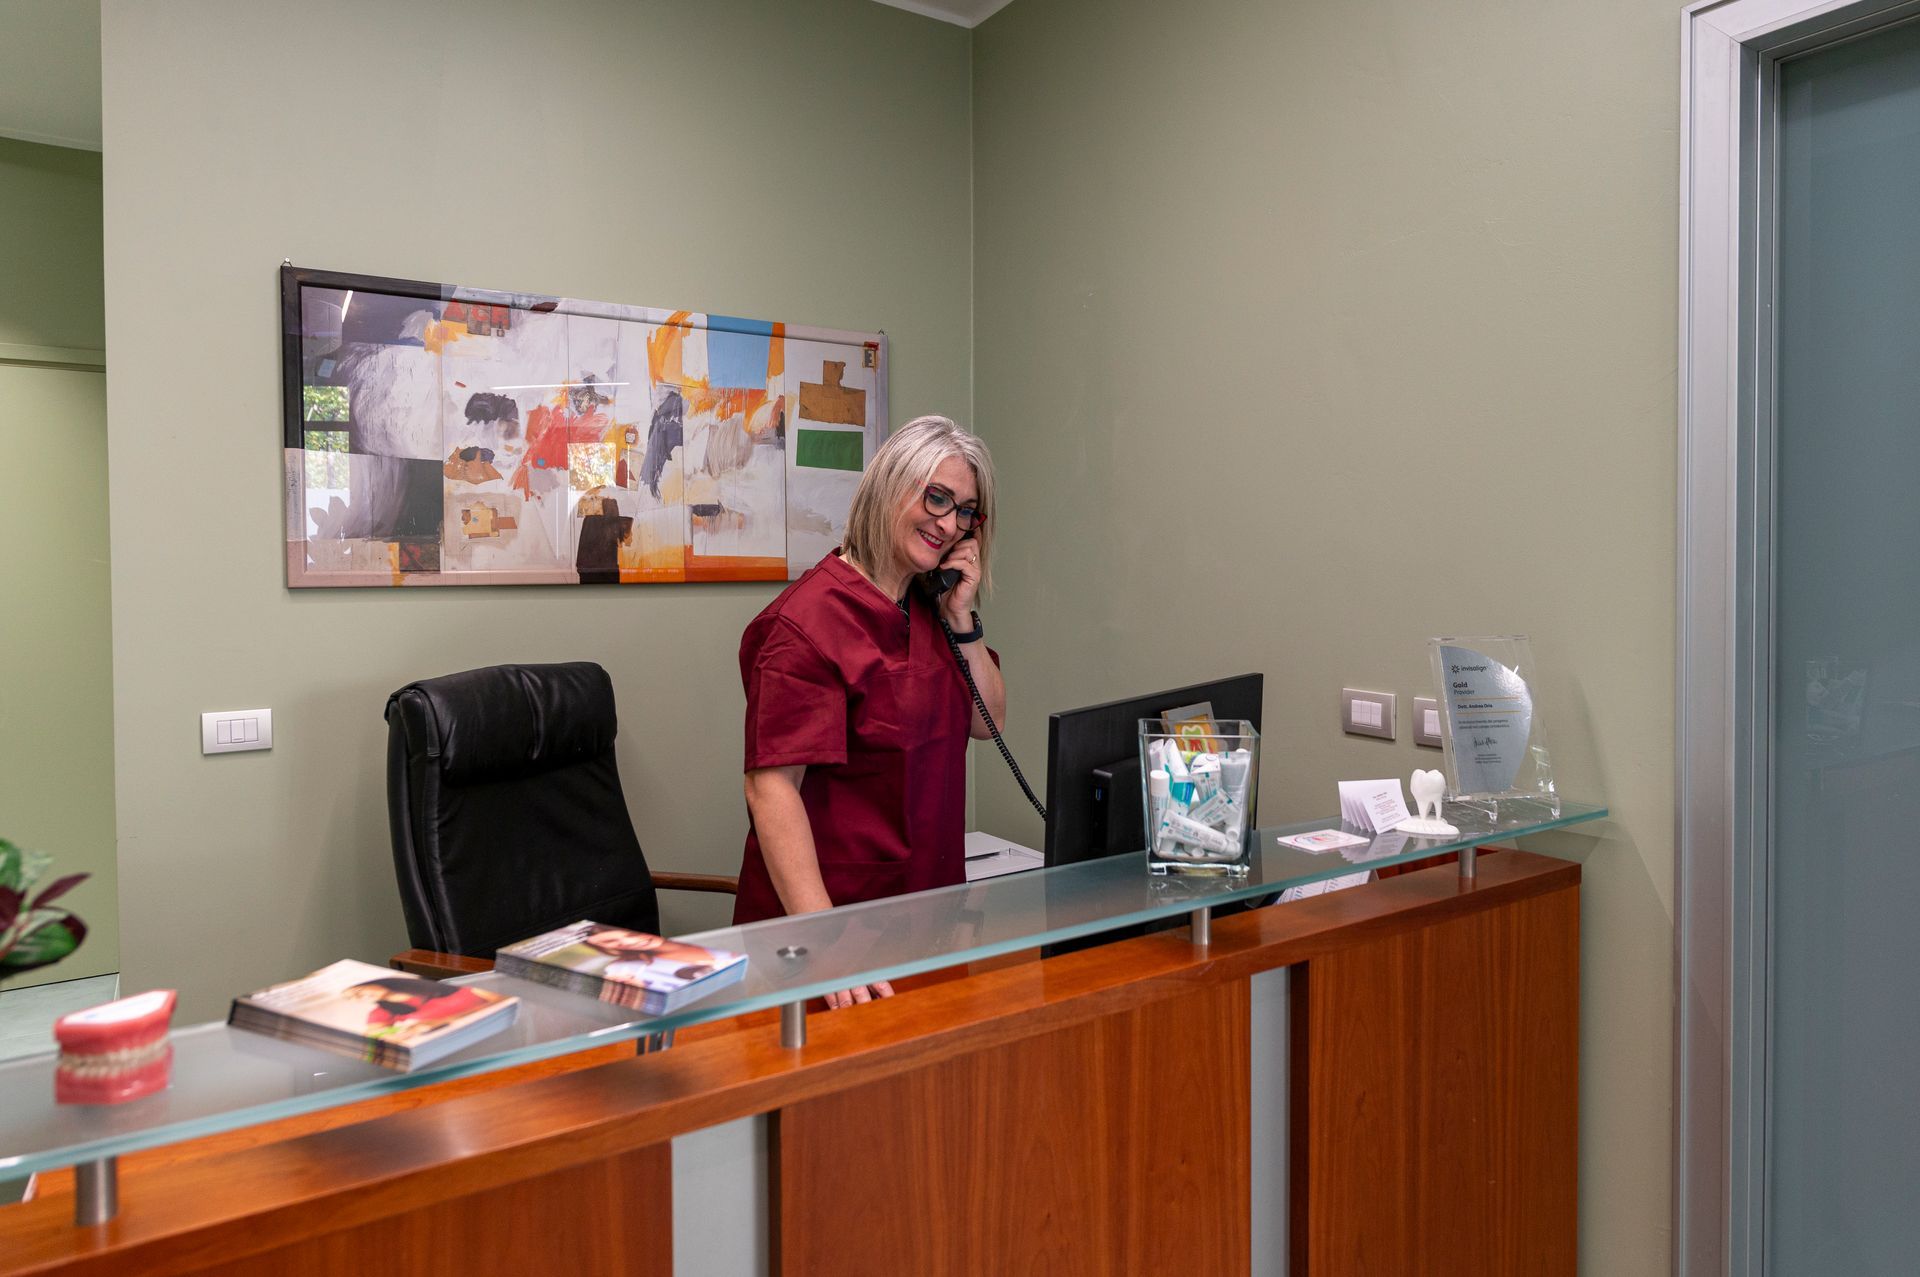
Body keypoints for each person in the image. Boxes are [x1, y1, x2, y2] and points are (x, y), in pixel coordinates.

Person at [735, 415, 1005, 1007]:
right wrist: (824, 938)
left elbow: (987, 724)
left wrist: (962, 615)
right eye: (935, 496)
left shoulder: (930, 607)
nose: (947, 522)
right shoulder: (804, 625)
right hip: (831, 940)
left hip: (926, 916)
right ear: (889, 485)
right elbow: (771, 787)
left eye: (965, 511)